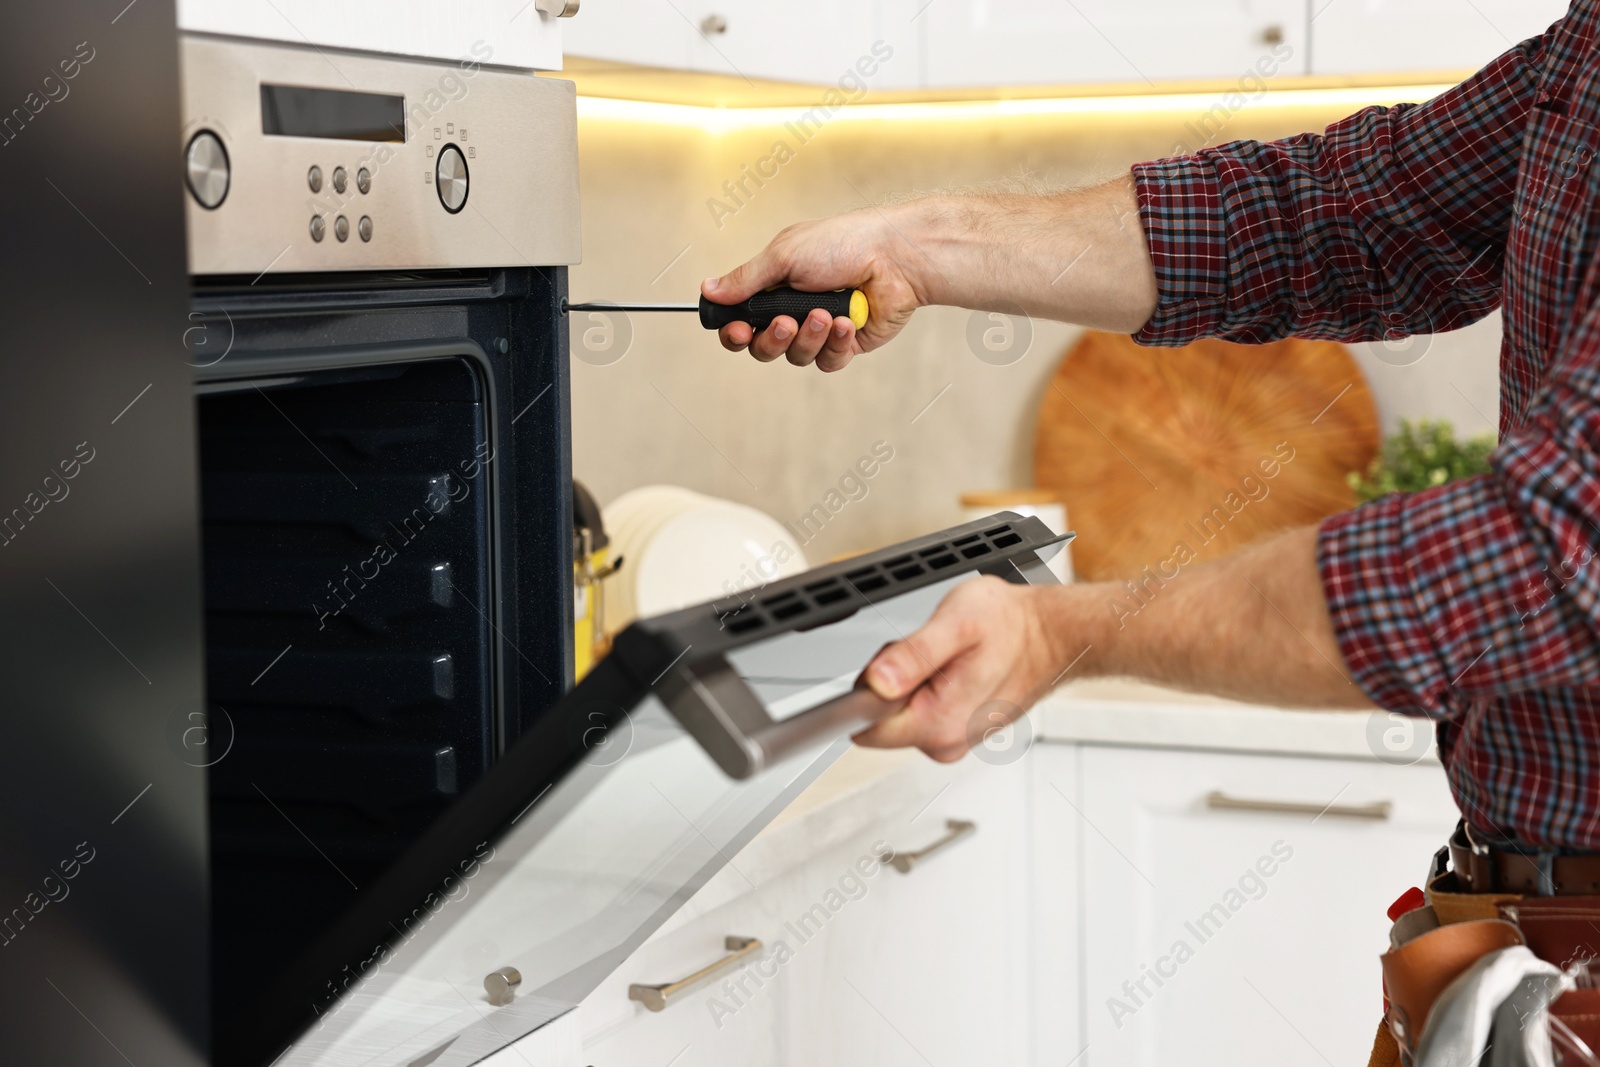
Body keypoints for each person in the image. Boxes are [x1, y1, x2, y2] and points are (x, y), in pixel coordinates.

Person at [704, 4, 1600, 1058]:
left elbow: (1550, 553)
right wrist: (915, 246)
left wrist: (1061, 633)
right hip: (1522, 930)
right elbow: (1331, 214)